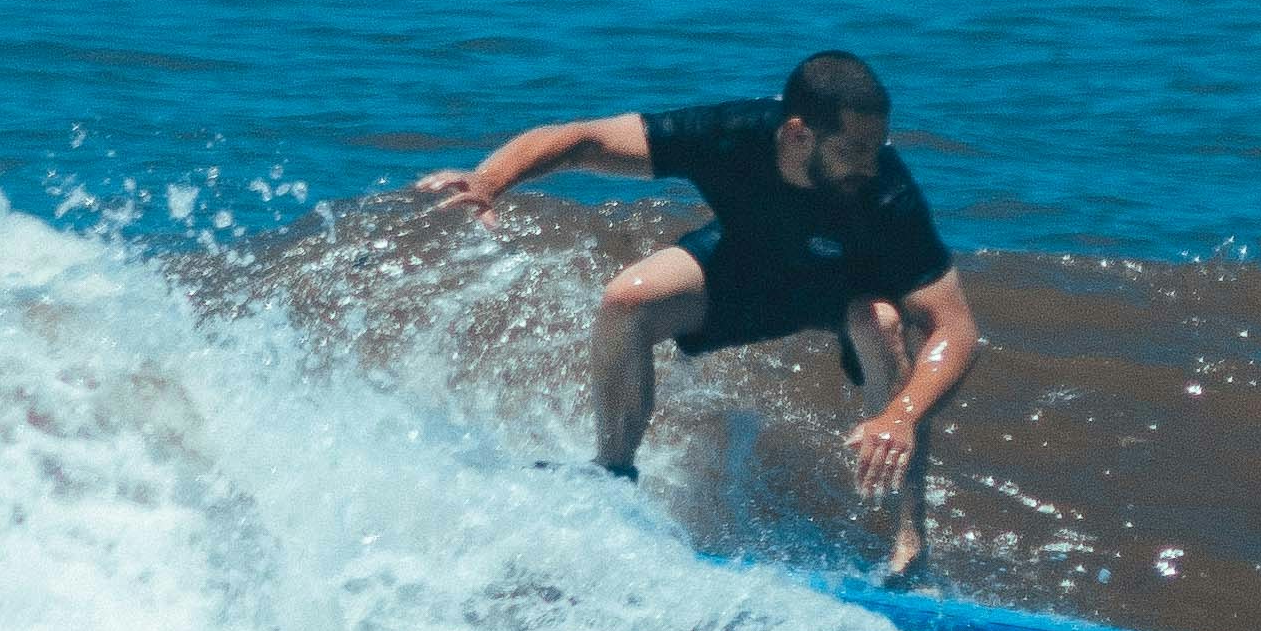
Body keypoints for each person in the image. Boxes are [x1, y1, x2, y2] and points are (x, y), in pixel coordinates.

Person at [413, 49, 981, 577]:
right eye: (852, 150)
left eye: (876, 145)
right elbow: (583, 139)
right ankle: (611, 474)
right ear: (797, 134)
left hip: (846, 291)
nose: (869, 161)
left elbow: (954, 328)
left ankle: (909, 542)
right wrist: (490, 181)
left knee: (880, 323)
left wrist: (902, 414)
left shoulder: (888, 195)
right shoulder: (730, 134)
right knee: (627, 299)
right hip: (748, 269)